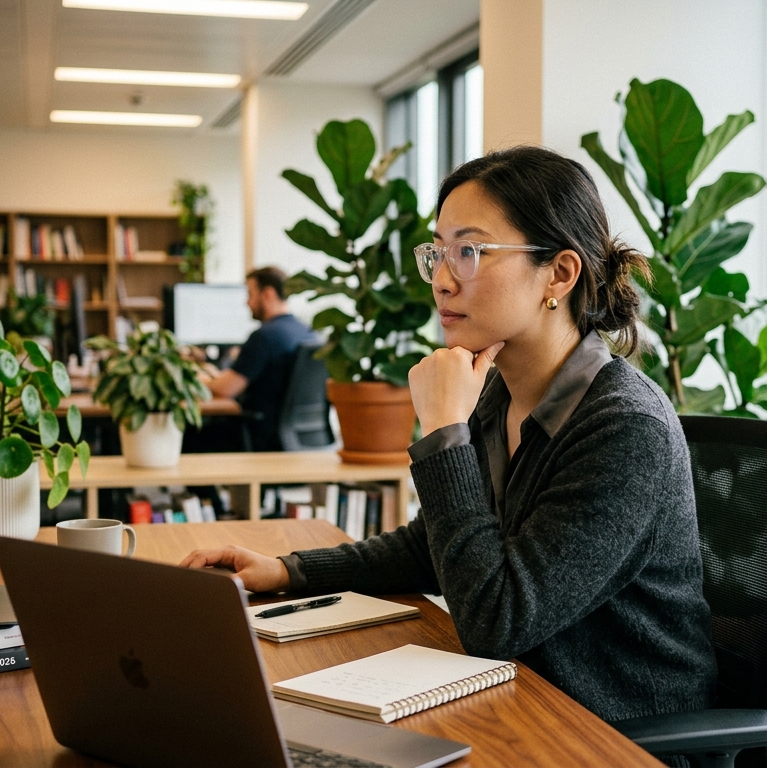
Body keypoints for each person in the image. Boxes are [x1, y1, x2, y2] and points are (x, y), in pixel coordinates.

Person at [181, 146, 717, 723]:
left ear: (559, 273)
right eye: (438, 252)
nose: (441, 280)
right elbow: (428, 547)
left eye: (470, 251)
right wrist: (288, 570)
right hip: (525, 695)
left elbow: (497, 620)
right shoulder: (502, 392)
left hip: (615, 732)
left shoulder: (624, 428)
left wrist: (444, 431)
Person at [202, 266, 314, 452]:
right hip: (301, 441)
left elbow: (225, 390)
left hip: (259, 438)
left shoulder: (265, 337)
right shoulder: (308, 332)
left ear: (268, 294)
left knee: (189, 435)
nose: (247, 303)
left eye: (250, 294)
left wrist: (202, 380)